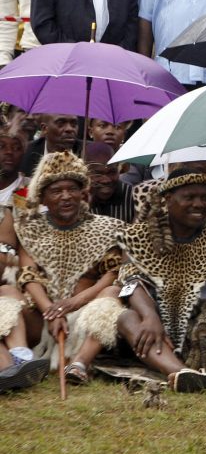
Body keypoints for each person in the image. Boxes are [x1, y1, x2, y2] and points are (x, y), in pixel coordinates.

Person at [96, 168, 206, 393]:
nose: (199, 204)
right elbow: (130, 282)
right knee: (126, 318)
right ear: (168, 199)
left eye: (204, 197)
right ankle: (180, 373)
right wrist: (150, 316)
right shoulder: (140, 235)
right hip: (162, 323)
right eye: (189, 197)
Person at [13, 151, 124, 377]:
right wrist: (51, 312)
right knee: (6, 293)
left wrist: (75, 302)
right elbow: (28, 275)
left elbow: (113, 272)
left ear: (83, 193)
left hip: (84, 318)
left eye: (72, 189)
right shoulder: (29, 229)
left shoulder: (107, 229)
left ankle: (79, 363)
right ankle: (17, 361)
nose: (66, 196)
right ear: (43, 197)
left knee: (112, 292)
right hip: (42, 317)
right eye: (56, 191)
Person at [85, 142, 134, 223]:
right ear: (85, 173)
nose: (106, 180)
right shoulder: (78, 200)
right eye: (98, 174)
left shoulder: (132, 196)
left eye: (112, 172)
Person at [0, 130, 25, 205]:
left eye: (16, 148)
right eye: (1, 146)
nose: (9, 152)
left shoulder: (30, 190)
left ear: (23, 154)